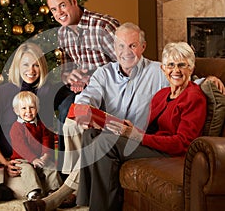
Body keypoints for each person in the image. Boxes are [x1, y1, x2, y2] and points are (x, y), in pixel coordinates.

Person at [23, 22, 225, 211]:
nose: (126, 52)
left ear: (143, 47)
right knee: (89, 135)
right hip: (131, 133)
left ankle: (83, 200)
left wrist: (209, 80)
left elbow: (190, 93)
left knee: (103, 144)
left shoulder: (162, 77)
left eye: (132, 45)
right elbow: (88, 95)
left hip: (154, 143)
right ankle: (83, 200)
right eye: (121, 46)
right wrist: (85, 112)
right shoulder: (158, 91)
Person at [76, 41, 208, 211]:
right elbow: (150, 130)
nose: (176, 70)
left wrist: (136, 135)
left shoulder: (194, 97)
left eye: (182, 65)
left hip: (171, 151)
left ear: (191, 68)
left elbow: (182, 143)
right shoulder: (161, 95)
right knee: (91, 134)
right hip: (154, 143)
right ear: (163, 69)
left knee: (106, 143)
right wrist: (128, 129)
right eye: (171, 65)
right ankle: (85, 203)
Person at [45, 0, 120, 171]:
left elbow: (126, 65)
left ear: (74, 1)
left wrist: (93, 78)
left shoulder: (102, 26)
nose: (59, 13)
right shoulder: (63, 33)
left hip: (109, 89)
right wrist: (70, 76)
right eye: (53, 9)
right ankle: (63, 172)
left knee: (66, 110)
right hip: (81, 89)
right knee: (53, 102)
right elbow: (66, 68)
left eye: (62, 6)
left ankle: (72, 177)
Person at [0, 42, 52, 178]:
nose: (31, 70)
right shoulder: (1, 93)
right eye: (26, 65)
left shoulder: (46, 92)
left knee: (53, 180)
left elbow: (47, 132)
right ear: (18, 66)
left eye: (36, 65)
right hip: (11, 160)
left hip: (40, 159)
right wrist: (5, 163)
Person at [7, 91, 62, 200]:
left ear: (37, 108)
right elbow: (21, 147)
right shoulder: (16, 127)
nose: (28, 111)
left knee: (51, 167)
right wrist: (33, 159)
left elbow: (47, 140)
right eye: (23, 108)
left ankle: (54, 190)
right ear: (16, 111)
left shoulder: (41, 125)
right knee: (27, 170)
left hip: (40, 158)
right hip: (23, 159)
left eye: (32, 107)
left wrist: (45, 155)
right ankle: (33, 192)